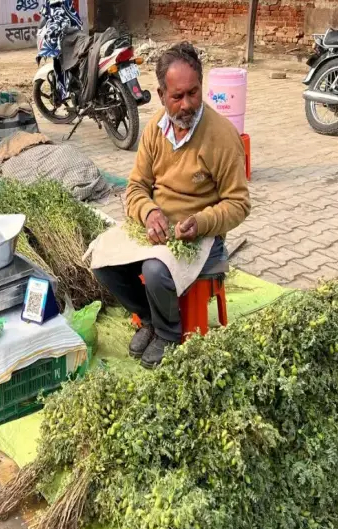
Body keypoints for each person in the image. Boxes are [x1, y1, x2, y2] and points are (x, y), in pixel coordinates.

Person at [93, 43, 251, 368]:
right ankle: (150, 318)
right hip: (157, 231)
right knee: (102, 261)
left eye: (193, 93)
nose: (187, 104)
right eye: (177, 97)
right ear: (161, 94)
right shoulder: (154, 129)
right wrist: (149, 213)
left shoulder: (222, 136)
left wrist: (202, 222)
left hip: (201, 237)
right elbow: (136, 187)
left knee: (154, 270)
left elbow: (238, 204)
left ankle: (169, 334)